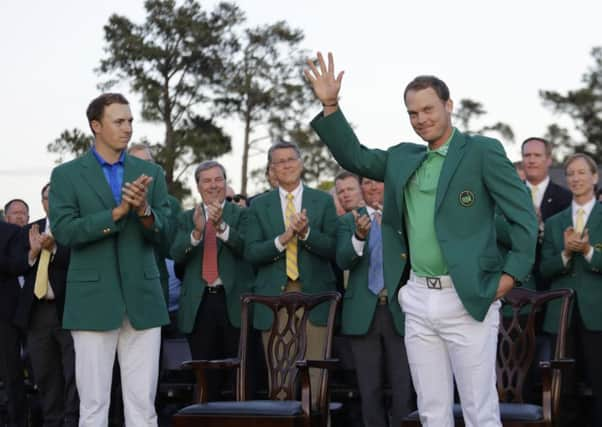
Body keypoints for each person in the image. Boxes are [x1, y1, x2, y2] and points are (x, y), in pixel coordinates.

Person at [306, 52, 537, 427]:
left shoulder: (482, 152)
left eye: (429, 109)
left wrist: (509, 278)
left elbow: (524, 219)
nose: (421, 119)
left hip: (469, 297)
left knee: (480, 410)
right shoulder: (402, 157)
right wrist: (330, 105)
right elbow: (355, 156)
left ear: (448, 105)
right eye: (413, 113)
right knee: (431, 411)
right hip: (416, 299)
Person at [49, 93, 170, 427]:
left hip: (143, 301)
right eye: (119, 121)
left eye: (130, 121)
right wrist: (116, 214)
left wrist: (145, 212)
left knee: (143, 407)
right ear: (96, 126)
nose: (128, 128)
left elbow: (168, 232)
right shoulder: (67, 175)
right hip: (91, 302)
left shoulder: (151, 173)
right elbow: (64, 231)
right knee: (93, 405)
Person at [245, 140, 338, 406]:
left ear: (301, 163)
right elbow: (251, 252)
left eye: (290, 159)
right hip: (274, 300)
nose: (286, 165)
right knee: (280, 380)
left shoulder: (322, 201)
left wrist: (306, 233)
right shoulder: (258, 204)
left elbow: (333, 249)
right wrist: (283, 238)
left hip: (315, 299)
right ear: (271, 169)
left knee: (317, 377)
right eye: (279, 162)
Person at [170, 160, 253, 400]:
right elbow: (176, 253)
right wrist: (196, 233)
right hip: (199, 305)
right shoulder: (187, 218)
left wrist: (222, 227)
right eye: (207, 181)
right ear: (198, 186)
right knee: (205, 378)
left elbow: (247, 249)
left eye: (218, 179)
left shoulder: (243, 215)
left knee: (241, 376)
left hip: (234, 304)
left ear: (225, 183)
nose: (213, 185)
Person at [337, 178, 413, 427]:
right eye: (367, 183)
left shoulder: (405, 217)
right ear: (361, 188)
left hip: (399, 311)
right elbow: (342, 260)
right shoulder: (349, 220)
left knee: (404, 386)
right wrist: (359, 237)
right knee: (369, 388)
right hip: (363, 314)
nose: (372, 188)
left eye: (378, 182)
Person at [540, 153, 602, 427]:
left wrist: (588, 251)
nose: (575, 178)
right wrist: (566, 253)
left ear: (595, 177)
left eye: (581, 173)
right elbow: (544, 268)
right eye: (570, 174)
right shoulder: (555, 222)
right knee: (563, 387)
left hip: (596, 313)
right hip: (561, 316)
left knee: (599, 381)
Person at [13, 183, 79, 427]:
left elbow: (78, 261)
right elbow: (16, 266)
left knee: (73, 374)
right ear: (43, 203)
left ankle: (72, 421)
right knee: (45, 374)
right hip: (36, 313)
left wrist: (54, 250)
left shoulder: (76, 228)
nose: (53, 202)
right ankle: (53, 421)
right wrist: (32, 254)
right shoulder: (30, 230)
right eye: (48, 198)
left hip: (68, 311)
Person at [521, 137, 572, 290]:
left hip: (554, 285)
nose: (531, 160)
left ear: (549, 160)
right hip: (517, 287)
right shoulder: (509, 195)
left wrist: (541, 227)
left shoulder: (566, 197)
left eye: (537, 155)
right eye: (527, 155)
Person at [0, 218, 29, 427]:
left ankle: (17, 421)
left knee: (12, 374)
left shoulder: (11, 232)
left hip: (5, 316)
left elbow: (18, 265)